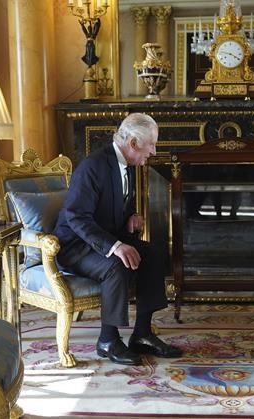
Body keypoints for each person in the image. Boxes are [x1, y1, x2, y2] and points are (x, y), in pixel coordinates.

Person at [54, 113, 182, 365]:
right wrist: (115, 246)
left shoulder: (124, 164)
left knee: (152, 254)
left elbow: (110, 206)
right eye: (151, 145)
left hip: (104, 238)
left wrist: (129, 218)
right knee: (116, 265)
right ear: (133, 143)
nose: (154, 152)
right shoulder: (93, 166)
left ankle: (142, 334)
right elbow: (76, 216)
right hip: (76, 246)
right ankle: (108, 340)